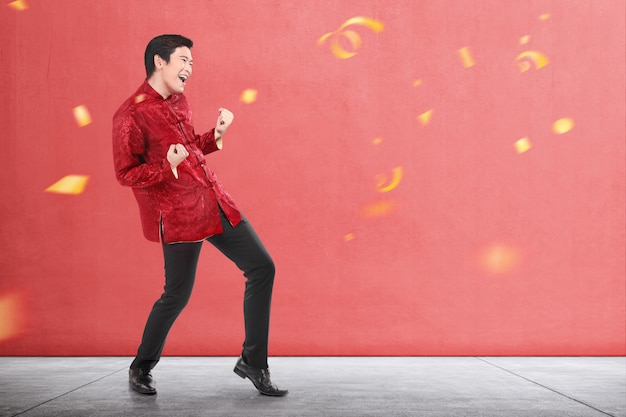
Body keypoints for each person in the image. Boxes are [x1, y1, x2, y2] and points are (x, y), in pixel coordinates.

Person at [112, 34, 287, 397]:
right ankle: (140, 367)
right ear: (159, 62)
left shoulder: (179, 100)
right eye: (183, 60)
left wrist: (215, 135)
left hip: (212, 200)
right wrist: (166, 166)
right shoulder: (130, 114)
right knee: (176, 295)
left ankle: (254, 363)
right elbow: (125, 174)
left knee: (262, 267)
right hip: (177, 214)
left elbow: (188, 146)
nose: (189, 68)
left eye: (192, 62)